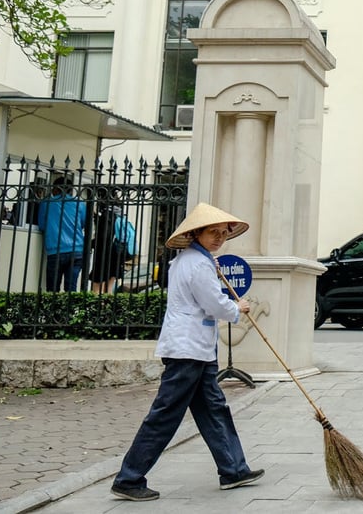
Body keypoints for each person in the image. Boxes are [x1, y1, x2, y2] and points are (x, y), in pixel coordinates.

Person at [111, 203, 264, 502]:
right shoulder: (196, 263)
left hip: (199, 350)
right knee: (166, 413)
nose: (219, 238)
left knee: (214, 408)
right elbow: (213, 304)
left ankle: (233, 469)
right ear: (196, 233)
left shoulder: (197, 260)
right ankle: (129, 478)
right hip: (187, 351)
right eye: (213, 232)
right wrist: (237, 307)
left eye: (222, 233)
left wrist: (228, 302)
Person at [36, 176, 87, 292]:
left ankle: (53, 310)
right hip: (77, 250)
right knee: (71, 288)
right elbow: (84, 224)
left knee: (53, 289)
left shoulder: (47, 203)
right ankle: (69, 310)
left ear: (55, 189)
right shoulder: (79, 203)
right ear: (70, 190)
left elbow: (42, 226)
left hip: (56, 250)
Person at [90, 205, 129, 294]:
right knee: (109, 288)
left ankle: (98, 306)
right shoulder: (120, 216)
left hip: (105, 255)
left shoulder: (107, 216)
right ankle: (107, 305)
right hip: (117, 254)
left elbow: (104, 237)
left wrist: (91, 243)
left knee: (97, 287)